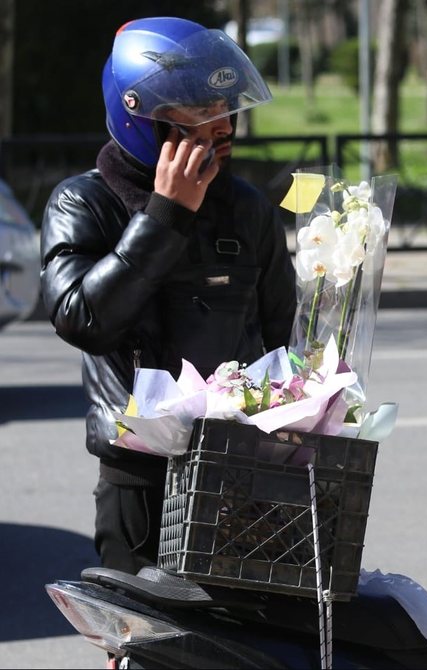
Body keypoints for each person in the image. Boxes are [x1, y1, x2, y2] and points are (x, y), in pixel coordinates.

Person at [40, 17, 296, 574]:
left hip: (240, 467)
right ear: (140, 120)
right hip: (139, 473)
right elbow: (83, 319)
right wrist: (166, 216)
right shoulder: (84, 203)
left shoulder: (246, 207)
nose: (217, 129)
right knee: (143, 646)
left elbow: (282, 334)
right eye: (196, 118)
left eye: (224, 113)